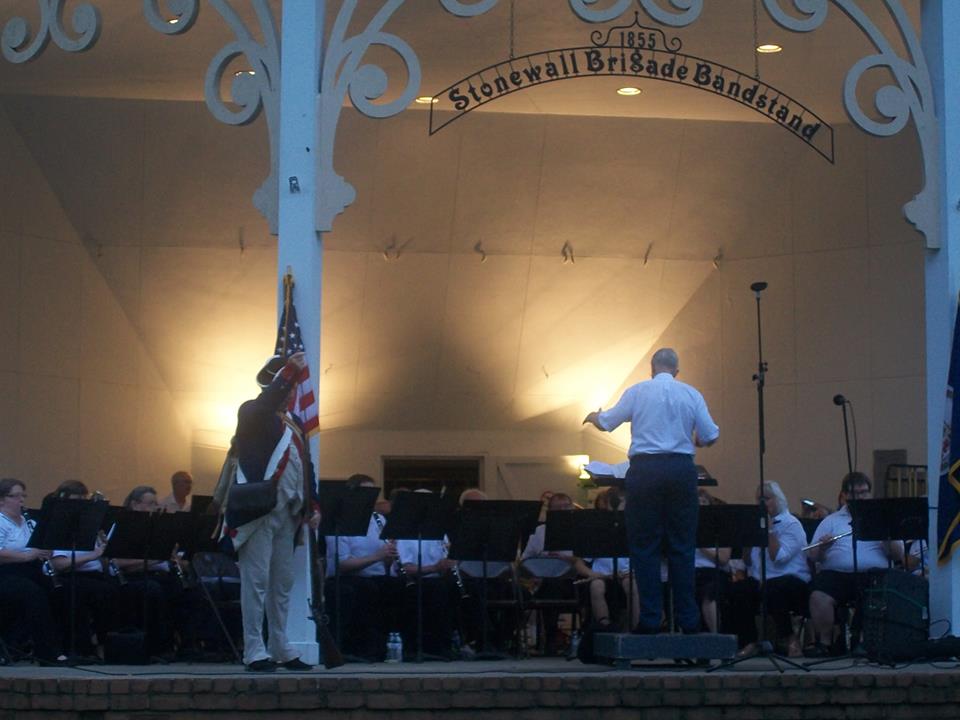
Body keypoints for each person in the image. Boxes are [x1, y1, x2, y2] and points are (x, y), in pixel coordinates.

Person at [583, 347, 719, 635]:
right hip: (682, 470)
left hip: (645, 471)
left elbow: (607, 422)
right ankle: (689, 620)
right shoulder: (691, 394)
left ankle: (650, 618)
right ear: (677, 371)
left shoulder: (638, 391)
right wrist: (696, 439)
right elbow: (709, 435)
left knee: (645, 547)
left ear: (652, 368)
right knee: (683, 546)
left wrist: (593, 416)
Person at [227, 351, 321, 672]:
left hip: (288, 513)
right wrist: (288, 372)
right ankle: (254, 649)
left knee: (281, 583)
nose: (293, 391)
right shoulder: (253, 411)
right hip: (259, 509)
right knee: (256, 582)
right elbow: (266, 405)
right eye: (288, 384)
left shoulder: (293, 424)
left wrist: (313, 505)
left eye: (293, 385)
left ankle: (280, 645)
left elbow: (305, 466)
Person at [804, 472, 904, 657]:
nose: (860, 497)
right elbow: (812, 555)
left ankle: (866, 640)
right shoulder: (831, 520)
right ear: (845, 496)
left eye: (864, 492)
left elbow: (899, 555)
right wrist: (824, 548)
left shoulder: (881, 518)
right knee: (818, 594)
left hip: (873, 574)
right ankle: (825, 642)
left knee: (878, 589)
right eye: (855, 493)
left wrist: (885, 537)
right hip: (836, 575)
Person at [728, 482, 810, 657]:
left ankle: (790, 638)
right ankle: (749, 641)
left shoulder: (791, 524)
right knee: (739, 590)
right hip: (762, 579)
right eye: (759, 499)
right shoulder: (758, 524)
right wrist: (748, 539)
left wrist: (770, 530)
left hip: (790, 579)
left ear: (778, 500)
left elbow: (779, 558)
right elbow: (748, 562)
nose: (762, 503)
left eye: (767, 498)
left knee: (773, 589)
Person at [324, 473, 400, 662]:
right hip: (347, 578)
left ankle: (388, 648)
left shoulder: (379, 520)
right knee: (366, 589)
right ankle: (359, 649)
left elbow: (386, 563)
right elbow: (341, 564)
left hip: (376, 577)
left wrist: (389, 558)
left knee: (400, 588)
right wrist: (377, 556)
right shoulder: (339, 520)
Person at [0, 478, 67, 664]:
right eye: (16, 496)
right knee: (33, 593)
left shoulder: (28, 521)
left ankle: (61, 646)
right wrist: (28, 555)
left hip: (30, 571)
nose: (21, 500)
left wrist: (47, 550)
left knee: (59, 592)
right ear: (1, 500)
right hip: (6, 573)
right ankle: (47, 653)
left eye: (23, 495)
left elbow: (41, 546)